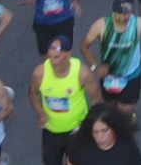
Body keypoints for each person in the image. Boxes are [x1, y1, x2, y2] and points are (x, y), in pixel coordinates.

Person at [80, 0, 141, 116]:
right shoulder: (101, 25)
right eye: (118, 14)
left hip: (131, 75)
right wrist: (96, 66)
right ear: (113, 11)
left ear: (131, 11)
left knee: (126, 110)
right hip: (108, 76)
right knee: (109, 107)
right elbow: (84, 46)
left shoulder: (140, 23)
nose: (122, 17)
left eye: (126, 14)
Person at [33, 34, 102, 165]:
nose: (53, 61)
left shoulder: (82, 73)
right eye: (50, 56)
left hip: (76, 130)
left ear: (68, 54)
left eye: (57, 57)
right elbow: (33, 92)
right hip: (51, 131)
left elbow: (96, 97)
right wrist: (40, 112)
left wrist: (89, 124)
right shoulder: (40, 73)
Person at [64, 106, 141, 165]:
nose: (100, 138)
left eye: (104, 131)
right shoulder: (81, 146)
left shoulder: (127, 147)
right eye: (95, 132)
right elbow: (71, 161)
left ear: (114, 128)